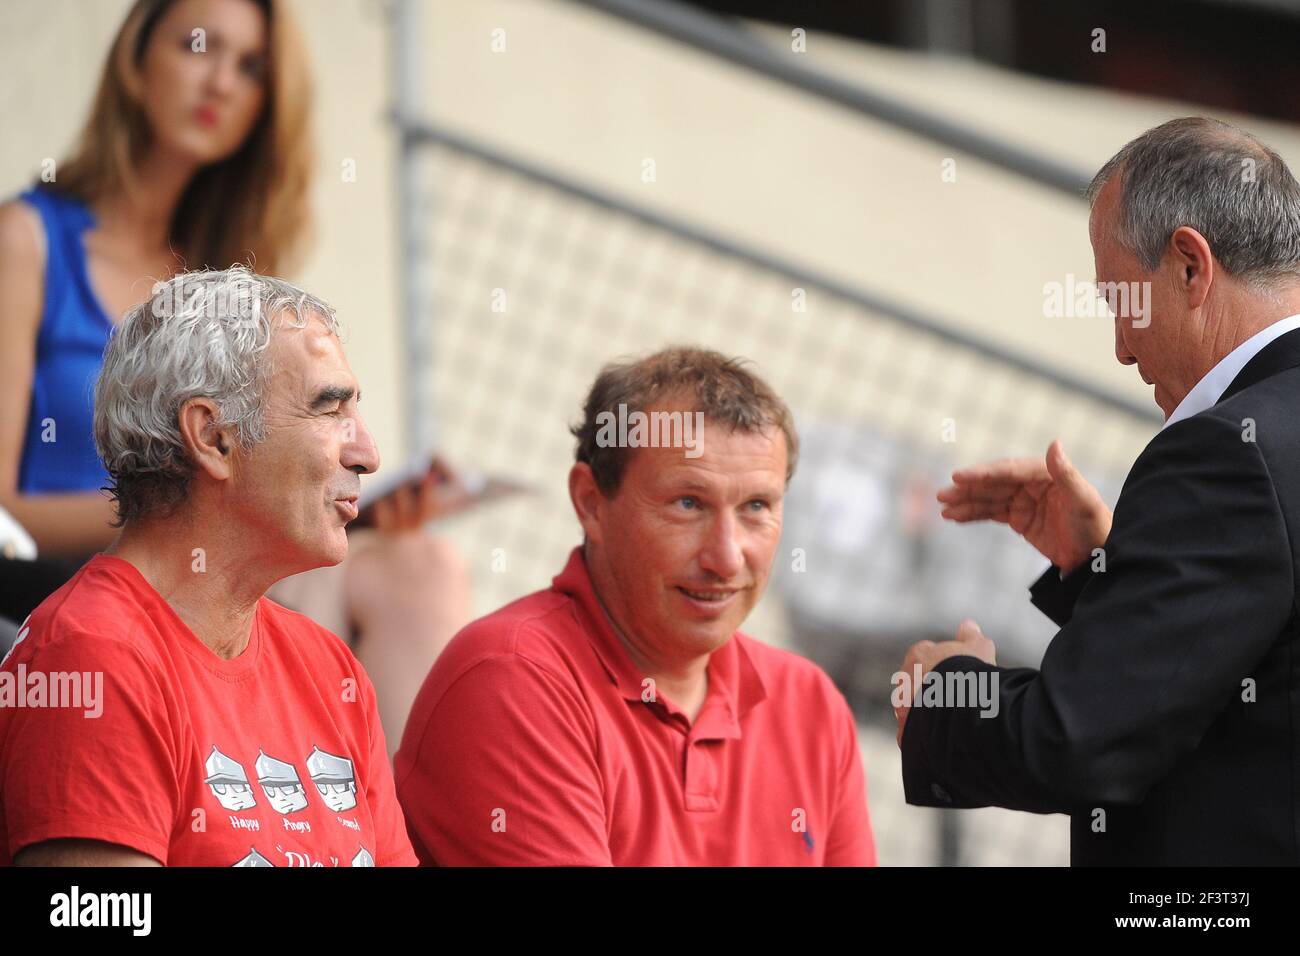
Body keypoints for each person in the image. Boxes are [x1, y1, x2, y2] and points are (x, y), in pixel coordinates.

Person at [0, 0, 468, 749]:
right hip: (66, 578)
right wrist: (178, 499)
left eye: (251, 67)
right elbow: (3, 513)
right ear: (134, 57)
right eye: (199, 46)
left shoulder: (228, 282)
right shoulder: (26, 242)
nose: (221, 81)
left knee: (421, 566)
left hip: (220, 559)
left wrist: (333, 500)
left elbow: (251, 473)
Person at [898, 116, 1300, 865]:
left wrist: (944, 694)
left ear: (1189, 266)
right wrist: (1104, 570)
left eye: (1121, 300)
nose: (1120, 347)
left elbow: (1077, 740)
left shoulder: (1227, 455)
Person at [394, 347, 876, 866]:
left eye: (756, 507)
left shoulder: (810, 705)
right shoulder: (513, 677)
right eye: (688, 504)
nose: (727, 557)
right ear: (591, 503)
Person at [0, 266, 416, 866]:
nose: (368, 453)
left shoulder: (331, 669)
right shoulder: (91, 657)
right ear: (213, 436)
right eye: (330, 411)